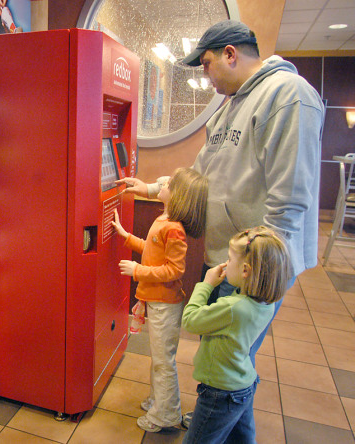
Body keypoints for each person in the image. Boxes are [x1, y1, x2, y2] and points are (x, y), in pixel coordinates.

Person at [118, 20, 324, 366]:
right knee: (220, 359)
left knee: (226, 367)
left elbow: (290, 196)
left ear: (230, 54)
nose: (206, 76)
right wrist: (152, 188)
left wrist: (259, 268)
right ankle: (214, 415)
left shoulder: (289, 95)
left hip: (252, 266)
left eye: (206, 64)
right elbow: (200, 174)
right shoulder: (229, 107)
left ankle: (209, 420)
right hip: (224, 258)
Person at [111, 168, 208, 433]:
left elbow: (174, 270)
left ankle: (166, 414)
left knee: (163, 360)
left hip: (166, 303)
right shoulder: (165, 220)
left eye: (171, 183)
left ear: (180, 197)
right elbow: (153, 249)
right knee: (158, 357)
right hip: (157, 301)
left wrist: (138, 270)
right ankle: (159, 400)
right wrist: (126, 236)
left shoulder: (174, 229)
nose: (163, 181)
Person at [181, 226, 291, 443]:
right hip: (244, 385)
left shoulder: (233, 308)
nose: (225, 263)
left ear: (246, 271)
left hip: (220, 393)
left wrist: (206, 284)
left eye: (230, 259)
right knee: (243, 439)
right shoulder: (266, 303)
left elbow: (190, 320)